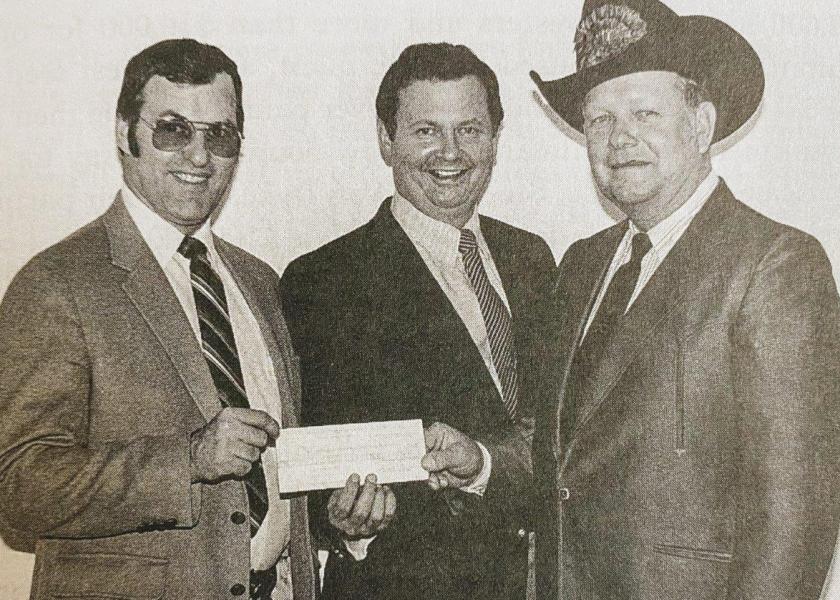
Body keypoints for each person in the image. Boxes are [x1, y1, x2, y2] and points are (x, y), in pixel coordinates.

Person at [529, 1, 840, 599]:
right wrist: (479, 461)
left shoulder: (775, 263)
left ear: (700, 127)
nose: (620, 139)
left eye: (644, 112)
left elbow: (795, 519)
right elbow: (572, 448)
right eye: (599, 121)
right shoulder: (581, 264)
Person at [0, 39, 321, 600]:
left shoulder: (262, 283)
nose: (200, 157)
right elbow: (18, 492)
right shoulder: (57, 283)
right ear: (126, 134)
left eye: (220, 134)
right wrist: (188, 458)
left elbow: (275, 481)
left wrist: (342, 522)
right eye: (173, 130)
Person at [279, 42, 555, 600]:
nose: (450, 152)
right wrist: (347, 525)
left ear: (496, 139)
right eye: (426, 130)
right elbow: (308, 467)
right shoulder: (322, 279)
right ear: (387, 140)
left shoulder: (534, 258)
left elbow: (550, 431)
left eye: (470, 130)